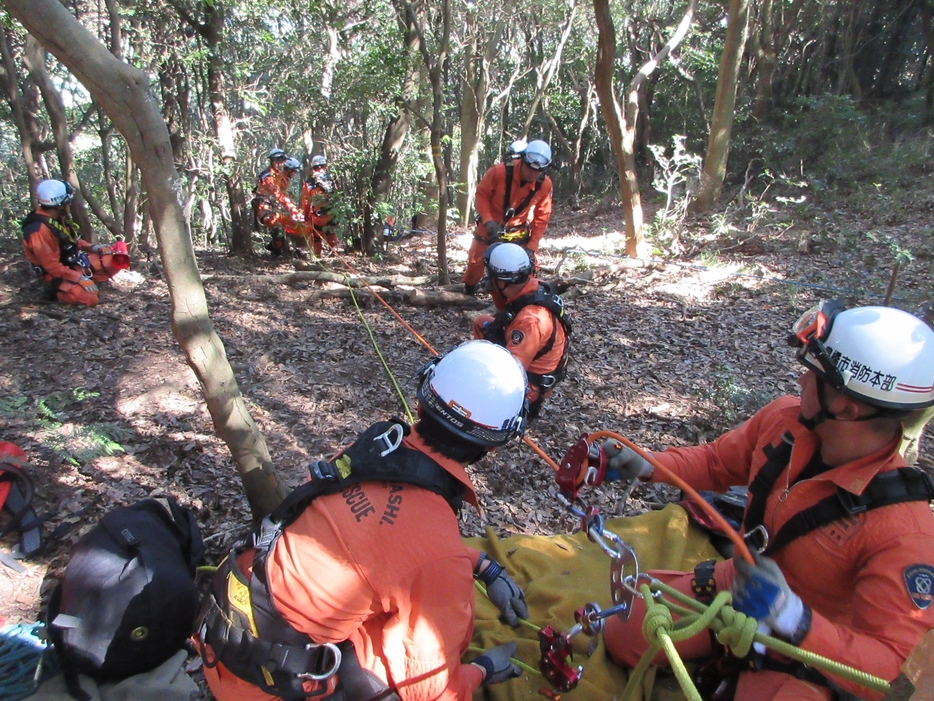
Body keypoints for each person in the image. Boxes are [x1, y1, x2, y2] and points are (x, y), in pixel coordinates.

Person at [597, 303, 934, 701]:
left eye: (813, 374)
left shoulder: (904, 532)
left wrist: (790, 616)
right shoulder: (784, 421)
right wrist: (648, 465)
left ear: (845, 407)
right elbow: (716, 462)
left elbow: (884, 666)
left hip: (812, 646)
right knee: (623, 633)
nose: (801, 377)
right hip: (740, 585)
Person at [198, 340, 531, 701]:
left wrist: (478, 563)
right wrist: (481, 670)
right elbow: (432, 690)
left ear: (420, 401)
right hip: (269, 684)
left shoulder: (373, 451)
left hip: (227, 635)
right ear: (494, 447)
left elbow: (379, 547)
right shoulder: (437, 550)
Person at [472, 242, 570, 419]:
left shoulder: (530, 321)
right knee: (482, 323)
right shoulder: (534, 286)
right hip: (533, 356)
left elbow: (512, 373)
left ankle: (520, 408)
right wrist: (496, 292)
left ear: (501, 280)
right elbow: (508, 309)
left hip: (532, 381)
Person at [463, 139, 554, 295]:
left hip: (518, 233)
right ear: (523, 160)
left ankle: (518, 305)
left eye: (537, 171)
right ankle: (469, 294)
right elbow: (482, 194)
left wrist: (532, 246)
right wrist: (488, 220)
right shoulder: (499, 172)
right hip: (489, 229)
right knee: (475, 266)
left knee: (527, 273)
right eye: (529, 168)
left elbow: (542, 216)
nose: (532, 174)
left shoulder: (544, 185)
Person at [21, 179, 121, 306]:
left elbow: (70, 240)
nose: (69, 204)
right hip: (56, 273)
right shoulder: (39, 231)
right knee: (90, 299)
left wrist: (93, 247)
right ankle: (59, 292)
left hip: (72, 263)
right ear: (59, 204)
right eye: (68, 202)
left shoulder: (56, 219)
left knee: (115, 258)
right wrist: (78, 278)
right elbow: (51, 266)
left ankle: (85, 280)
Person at [253, 149, 304, 257]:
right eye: (277, 161)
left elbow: (284, 195)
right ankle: (275, 251)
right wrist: (292, 209)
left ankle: (291, 249)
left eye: (282, 161)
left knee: (297, 226)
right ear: (272, 161)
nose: (279, 163)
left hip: (277, 208)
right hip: (264, 208)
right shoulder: (267, 176)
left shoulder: (280, 176)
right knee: (278, 228)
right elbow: (278, 195)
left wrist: (294, 211)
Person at [301, 154, 339, 256]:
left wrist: (305, 216)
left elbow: (306, 202)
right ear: (325, 166)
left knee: (316, 235)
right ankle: (333, 253)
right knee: (331, 232)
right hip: (332, 213)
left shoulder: (309, 184)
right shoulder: (332, 180)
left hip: (318, 215)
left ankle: (317, 255)